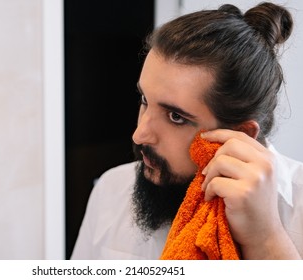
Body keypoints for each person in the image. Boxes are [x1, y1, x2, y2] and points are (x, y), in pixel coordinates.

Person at [71, 2, 303, 259]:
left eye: (175, 117)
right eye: (145, 100)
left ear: (242, 134)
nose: (139, 135)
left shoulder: (298, 210)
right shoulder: (112, 190)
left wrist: (265, 238)